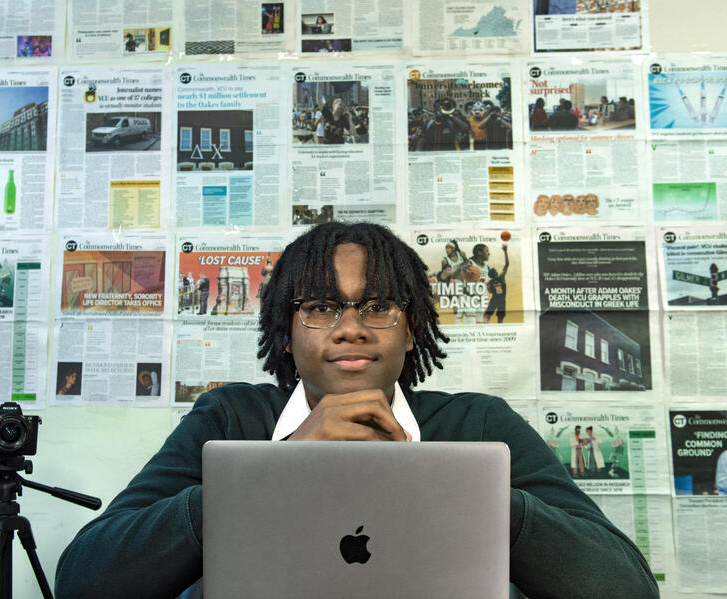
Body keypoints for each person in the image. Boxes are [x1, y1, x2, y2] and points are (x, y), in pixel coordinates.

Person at [55, 222, 659, 599]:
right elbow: (87, 581)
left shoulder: (478, 425)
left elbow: (625, 588)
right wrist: (273, 468)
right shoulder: (229, 419)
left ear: (411, 329)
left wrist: (453, 488)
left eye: (377, 308)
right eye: (321, 307)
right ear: (285, 333)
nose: (350, 330)